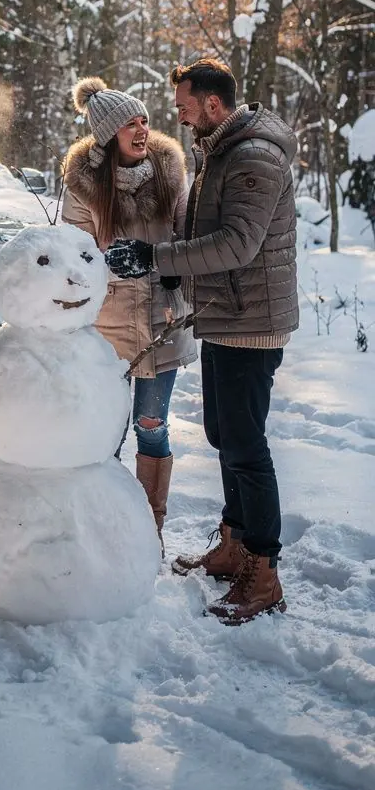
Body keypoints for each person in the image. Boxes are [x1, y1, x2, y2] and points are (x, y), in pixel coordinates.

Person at [105, 57, 298, 624]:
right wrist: (173, 270)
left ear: (213, 104)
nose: (181, 120)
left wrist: (157, 258)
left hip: (250, 322)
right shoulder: (221, 151)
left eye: (187, 108)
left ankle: (263, 571)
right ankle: (234, 543)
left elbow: (238, 244)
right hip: (224, 315)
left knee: (245, 445)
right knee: (223, 434)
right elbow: (206, 232)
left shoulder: (252, 157)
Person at [62, 77, 195, 550]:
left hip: (162, 316)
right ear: (106, 136)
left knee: (151, 425)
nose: (141, 131)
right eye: (128, 125)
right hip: (108, 326)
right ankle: (108, 532)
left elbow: (188, 234)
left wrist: (175, 266)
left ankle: (148, 534)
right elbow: (72, 258)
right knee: (107, 432)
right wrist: (101, 265)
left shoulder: (169, 171)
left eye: (144, 120)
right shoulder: (82, 186)